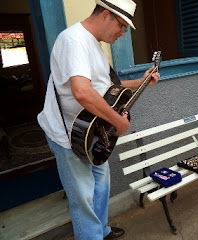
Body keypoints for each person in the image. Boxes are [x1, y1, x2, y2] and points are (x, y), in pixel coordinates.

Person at [37, 0, 160, 239]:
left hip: (92, 133)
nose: (123, 34)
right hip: (69, 137)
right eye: (122, 26)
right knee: (83, 198)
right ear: (106, 15)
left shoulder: (94, 44)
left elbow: (107, 87)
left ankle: (100, 231)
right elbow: (82, 91)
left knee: (101, 187)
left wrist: (142, 81)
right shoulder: (74, 40)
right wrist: (119, 121)